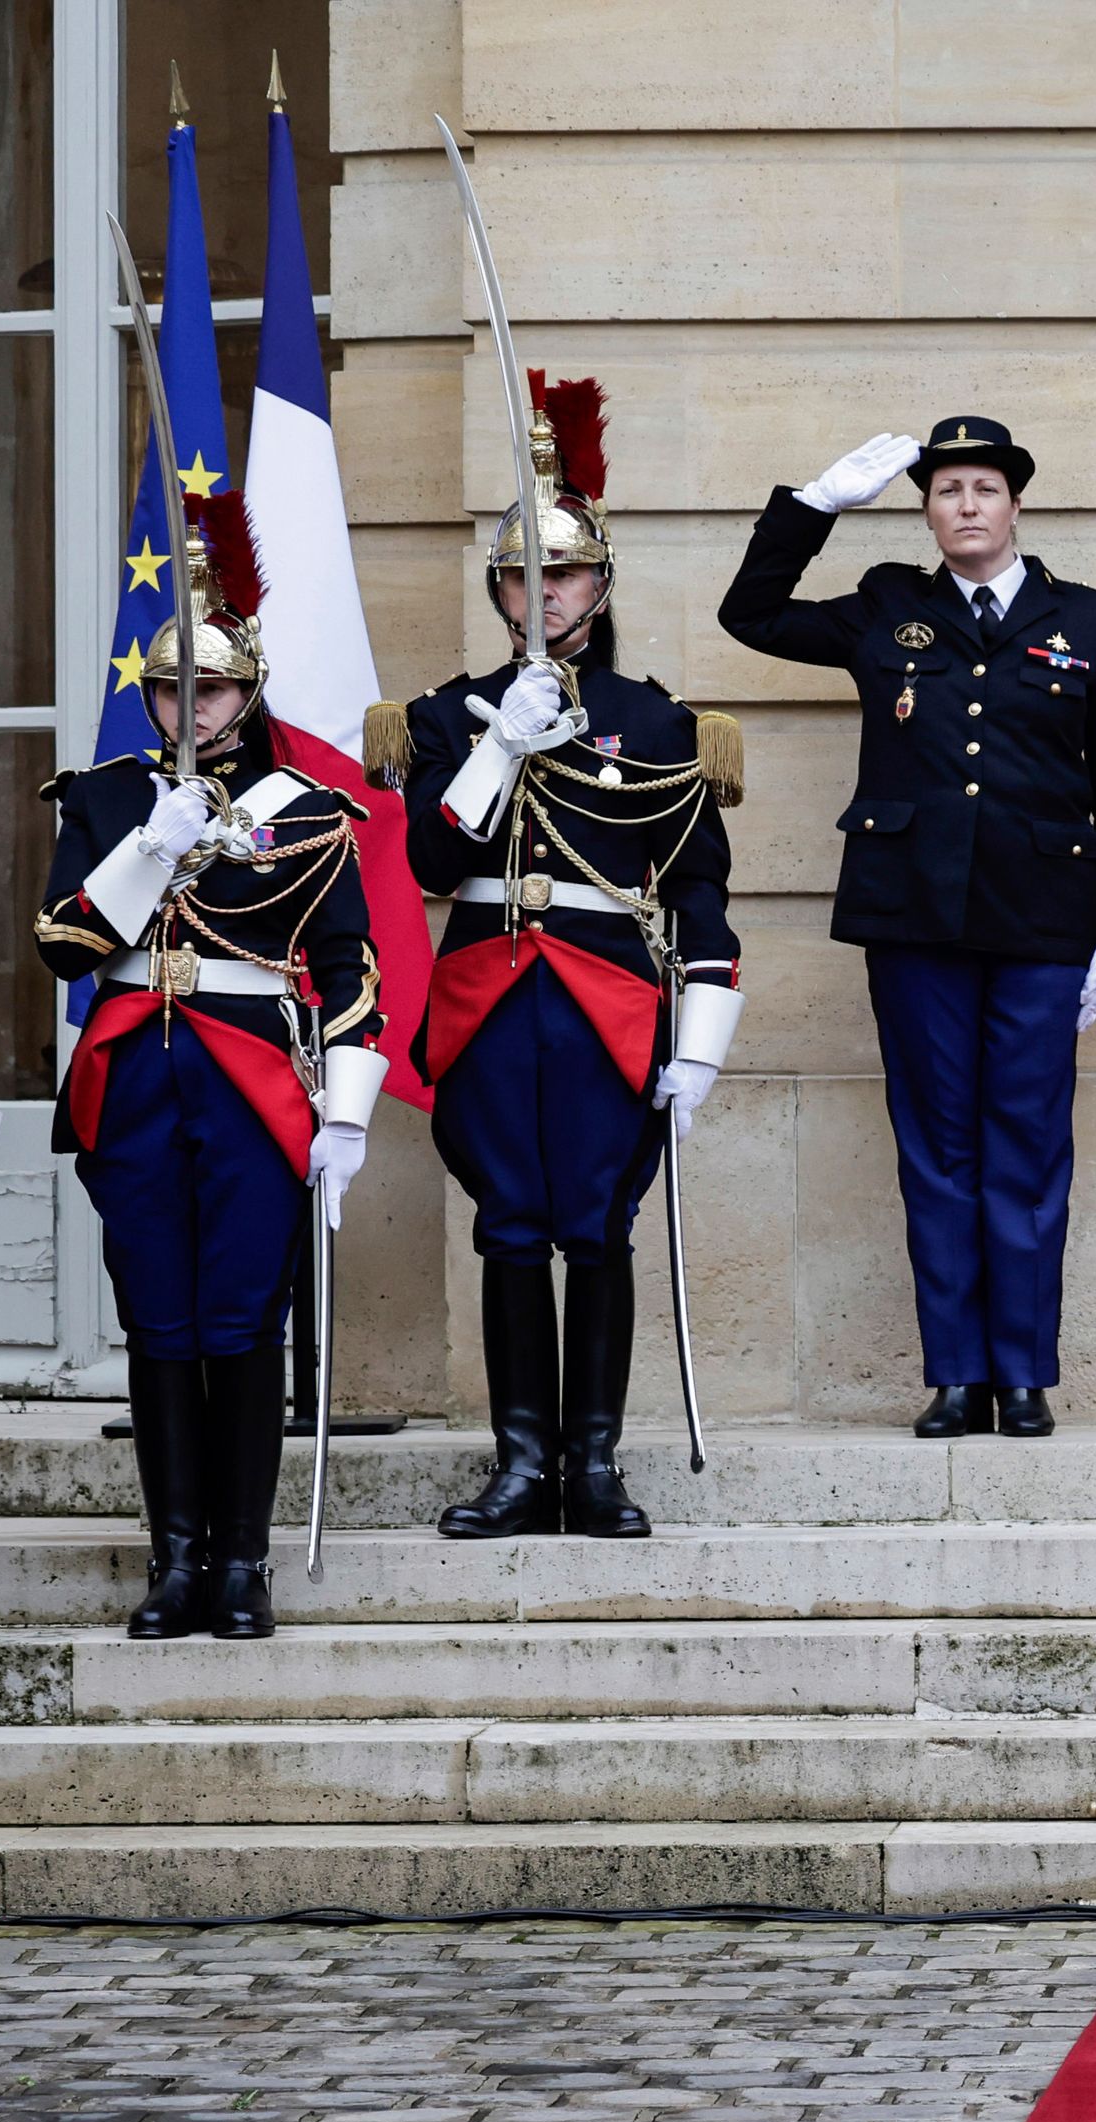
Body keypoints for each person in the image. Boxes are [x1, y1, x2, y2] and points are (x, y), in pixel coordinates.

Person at [716, 416, 1096, 1438]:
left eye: (984, 489)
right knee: (938, 1148)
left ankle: (1024, 1373)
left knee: (1029, 1149)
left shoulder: (1089, 620)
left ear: (1014, 505)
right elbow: (751, 615)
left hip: (1047, 922)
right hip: (915, 918)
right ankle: (957, 1372)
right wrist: (812, 507)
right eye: (947, 489)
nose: (966, 506)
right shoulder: (889, 607)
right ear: (925, 509)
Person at [382, 375, 739, 1540]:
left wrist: (699, 1046)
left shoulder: (658, 717)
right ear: (499, 590)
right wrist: (497, 746)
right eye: (522, 576)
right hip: (488, 992)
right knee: (509, 1225)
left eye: (565, 574)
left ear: (600, 585)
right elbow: (434, 857)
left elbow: (698, 892)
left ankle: (593, 1468)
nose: (543, 593)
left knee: (594, 1224)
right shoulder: (445, 715)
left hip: (607, 998)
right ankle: (521, 1466)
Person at [38, 494, 386, 1640]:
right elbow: (65, 945)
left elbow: (349, 967)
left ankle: (243, 1562)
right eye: (172, 691)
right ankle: (173, 1560)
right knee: (159, 1321)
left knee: (242, 1321)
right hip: (135, 1073)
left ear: (249, 694)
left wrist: (345, 1113)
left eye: (214, 690)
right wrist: (149, 844)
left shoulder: (310, 815)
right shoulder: (102, 799)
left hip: (253, 1087)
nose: (191, 709)